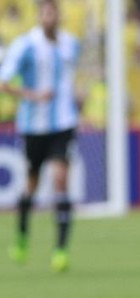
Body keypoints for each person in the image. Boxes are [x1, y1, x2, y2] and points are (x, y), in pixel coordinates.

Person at [0, 0, 79, 273]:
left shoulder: (71, 44)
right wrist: (34, 96)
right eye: (45, 12)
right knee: (31, 184)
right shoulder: (25, 45)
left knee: (60, 180)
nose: (49, 17)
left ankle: (61, 250)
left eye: (53, 12)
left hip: (63, 123)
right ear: (38, 16)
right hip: (33, 125)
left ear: (59, 15)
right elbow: (4, 83)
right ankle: (22, 237)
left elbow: (69, 78)